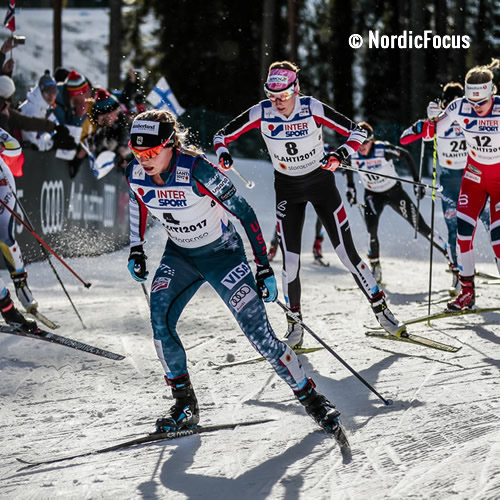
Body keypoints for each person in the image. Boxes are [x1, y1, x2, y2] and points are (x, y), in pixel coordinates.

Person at [125, 109, 342, 435]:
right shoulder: (136, 173)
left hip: (223, 255)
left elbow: (244, 212)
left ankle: (311, 397)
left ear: (171, 145)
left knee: (260, 336)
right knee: (159, 320)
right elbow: (138, 200)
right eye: (138, 152)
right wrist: (136, 247)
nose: (145, 159)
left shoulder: (197, 169)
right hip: (180, 256)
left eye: (153, 152)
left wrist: (263, 267)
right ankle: (185, 405)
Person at [214, 60, 406, 348]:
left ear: (296, 89)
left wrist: (340, 155)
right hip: (288, 189)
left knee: (346, 254)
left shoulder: (312, 107)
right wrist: (223, 154)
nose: (278, 103)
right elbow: (221, 136)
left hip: (320, 184)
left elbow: (358, 133)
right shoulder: (261, 112)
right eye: (272, 96)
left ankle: (382, 310)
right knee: (290, 261)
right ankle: (295, 326)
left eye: (284, 96)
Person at [420, 59, 500, 310]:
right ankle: (467, 293)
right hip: (474, 177)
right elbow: (428, 135)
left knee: (498, 241)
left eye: (482, 102)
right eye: (472, 102)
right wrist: (431, 119)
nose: (476, 108)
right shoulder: (458, 106)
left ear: (491, 94)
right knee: (463, 236)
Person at [400, 83, 490, 295]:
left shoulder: (471, 116)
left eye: (458, 103)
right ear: (442, 104)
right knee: (454, 230)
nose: (453, 108)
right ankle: (459, 277)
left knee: (489, 223)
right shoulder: (437, 120)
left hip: (474, 176)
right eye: (449, 104)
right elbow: (404, 138)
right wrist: (428, 121)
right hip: (449, 181)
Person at [348, 122, 450, 284]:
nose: (361, 147)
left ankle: (451, 257)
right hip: (373, 195)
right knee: (371, 230)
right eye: (358, 143)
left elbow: (407, 156)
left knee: (420, 226)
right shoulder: (352, 154)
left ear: (372, 141)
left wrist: (417, 181)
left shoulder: (383, 150)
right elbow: (348, 169)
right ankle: (375, 267)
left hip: (394, 193)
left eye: (365, 143)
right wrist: (350, 187)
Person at [0, 126, 39, 324]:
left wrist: (1, 146)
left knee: (4, 236)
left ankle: (20, 283)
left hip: (1, 185)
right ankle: (6, 307)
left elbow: (14, 148)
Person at [18, 70, 76, 152]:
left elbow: (44, 132)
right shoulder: (33, 110)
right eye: (48, 91)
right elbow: (31, 144)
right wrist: (53, 143)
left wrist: (55, 134)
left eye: (54, 92)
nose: (51, 96)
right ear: (40, 90)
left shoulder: (43, 108)